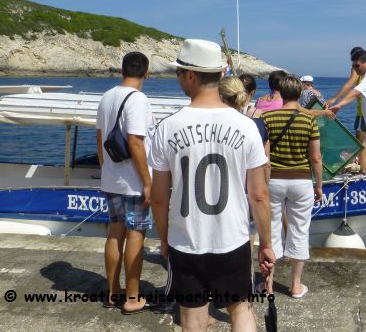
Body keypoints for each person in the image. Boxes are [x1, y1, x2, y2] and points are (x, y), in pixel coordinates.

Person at [150, 39, 275, 332]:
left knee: (192, 317)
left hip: (186, 241)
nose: (178, 78)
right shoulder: (245, 126)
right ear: (220, 74)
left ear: (191, 76)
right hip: (232, 240)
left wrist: (166, 239)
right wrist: (266, 245)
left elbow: (158, 198)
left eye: (179, 72)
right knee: (240, 310)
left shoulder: (167, 127)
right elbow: (258, 196)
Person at [95, 51, 154, 313]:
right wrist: (148, 181)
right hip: (133, 181)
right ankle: (132, 297)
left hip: (111, 178)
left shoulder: (107, 97)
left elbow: (99, 139)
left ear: (121, 71)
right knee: (136, 234)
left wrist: (106, 169)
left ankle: (112, 292)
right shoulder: (138, 99)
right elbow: (136, 142)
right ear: (147, 73)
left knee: (114, 233)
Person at [261, 75, 323, 298]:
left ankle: (268, 285)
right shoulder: (309, 120)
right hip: (301, 181)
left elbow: (264, 156)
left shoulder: (267, 117)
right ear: (299, 94)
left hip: (274, 180)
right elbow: (315, 157)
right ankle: (296, 286)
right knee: (299, 230)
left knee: (271, 231)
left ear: (281, 92)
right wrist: (319, 185)